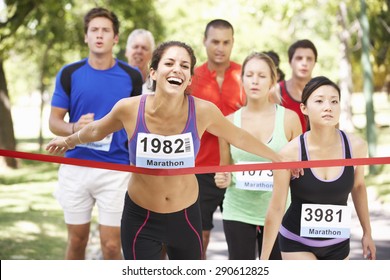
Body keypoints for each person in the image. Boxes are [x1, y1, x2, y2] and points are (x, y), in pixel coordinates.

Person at [46, 40, 287, 260]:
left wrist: (277, 158)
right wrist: (68, 141)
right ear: (153, 72)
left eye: (184, 66)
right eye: (169, 63)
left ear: (190, 79)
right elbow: (97, 130)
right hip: (141, 217)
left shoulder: (203, 111)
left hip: (185, 216)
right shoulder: (129, 109)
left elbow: (239, 137)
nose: (177, 69)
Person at [48, 7, 143, 260]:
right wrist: (76, 128)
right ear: (85, 37)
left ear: (115, 38)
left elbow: (137, 125)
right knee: (77, 241)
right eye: (94, 30)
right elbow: (54, 122)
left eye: (105, 30)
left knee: (112, 246)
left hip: (115, 170)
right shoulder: (69, 73)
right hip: (76, 167)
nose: (99, 35)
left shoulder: (132, 76)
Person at [260, 76, 376, 260]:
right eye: (319, 101)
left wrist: (367, 232)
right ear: (304, 108)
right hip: (296, 241)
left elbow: (359, 186)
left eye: (334, 101)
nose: (328, 106)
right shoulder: (290, 153)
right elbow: (276, 207)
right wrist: (264, 260)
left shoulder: (357, 147)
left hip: (338, 243)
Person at [214, 52, 301, 260]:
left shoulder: (289, 119)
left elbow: (300, 171)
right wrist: (221, 177)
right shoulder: (227, 122)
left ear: (273, 81)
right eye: (250, 75)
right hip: (238, 210)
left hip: (280, 210)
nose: (255, 81)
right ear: (241, 79)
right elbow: (224, 167)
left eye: (262, 76)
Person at [189, 19, 245, 259]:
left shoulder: (245, 75)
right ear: (205, 42)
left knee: (242, 237)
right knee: (198, 237)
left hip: (240, 169)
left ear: (232, 43)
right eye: (215, 42)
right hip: (200, 170)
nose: (220, 48)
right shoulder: (191, 78)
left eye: (226, 42)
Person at [276, 39, 318, 132]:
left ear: (315, 63)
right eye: (299, 58)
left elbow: (333, 129)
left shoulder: (322, 91)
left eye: (309, 59)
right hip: (287, 146)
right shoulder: (276, 91)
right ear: (290, 62)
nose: (304, 63)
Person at [125, 28, 155, 94]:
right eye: (135, 47)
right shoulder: (116, 82)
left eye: (144, 48)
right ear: (126, 51)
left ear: (152, 55)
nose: (139, 51)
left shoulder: (156, 89)